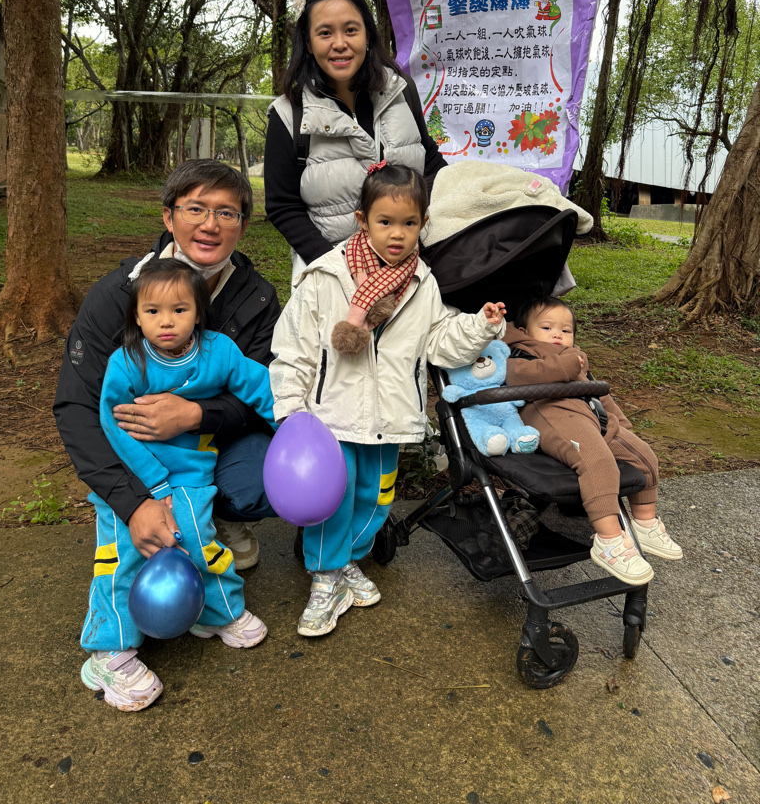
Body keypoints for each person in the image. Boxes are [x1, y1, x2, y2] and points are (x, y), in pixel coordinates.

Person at [269, 162, 506, 637]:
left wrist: (480, 326)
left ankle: (348, 562)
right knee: (333, 502)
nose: (397, 234)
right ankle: (325, 577)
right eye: (385, 221)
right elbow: (293, 349)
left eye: (409, 223)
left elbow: (439, 342)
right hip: (330, 420)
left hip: (390, 419)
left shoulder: (422, 283)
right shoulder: (326, 277)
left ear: (423, 223)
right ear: (362, 221)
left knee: (376, 500)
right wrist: (292, 412)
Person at [54, 159, 280, 573]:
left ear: (243, 226)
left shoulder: (258, 299)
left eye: (226, 213)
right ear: (168, 216)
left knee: (265, 482)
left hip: (213, 443)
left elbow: (263, 392)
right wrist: (134, 504)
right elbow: (77, 407)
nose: (210, 225)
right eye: (195, 209)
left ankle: (218, 516)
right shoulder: (117, 295)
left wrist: (197, 414)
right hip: (139, 452)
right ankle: (151, 514)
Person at [81, 259, 276, 711]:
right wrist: (152, 485)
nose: (166, 322)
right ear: (136, 316)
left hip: (191, 475)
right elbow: (113, 428)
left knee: (199, 541)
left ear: (199, 313)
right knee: (125, 554)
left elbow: (260, 387)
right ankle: (108, 648)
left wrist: (289, 426)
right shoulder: (127, 363)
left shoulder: (219, 352)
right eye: (153, 311)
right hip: (135, 477)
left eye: (179, 310)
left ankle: (216, 612)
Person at [263, 0, 446, 277]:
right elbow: (283, 206)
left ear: (368, 35)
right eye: (325, 33)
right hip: (333, 274)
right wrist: (340, 268)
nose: (339, 44)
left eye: (351, 30)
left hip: (415, 267)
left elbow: (430, 162)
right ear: (308, 43)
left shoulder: (400, 91)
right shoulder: (288, 114)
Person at [504, 296, 683, 586]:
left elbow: (600, 395)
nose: (558, 335)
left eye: (566, 330)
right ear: (524, 331)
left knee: (644, 456)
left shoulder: (575, 359)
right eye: (547, 328)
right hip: (552, 415)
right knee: (597, 461)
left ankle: (645, 523)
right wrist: (566, 365)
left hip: (590, 416)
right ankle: (609, 540)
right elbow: (517, 377)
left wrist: (621, 425)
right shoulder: (518, 354)